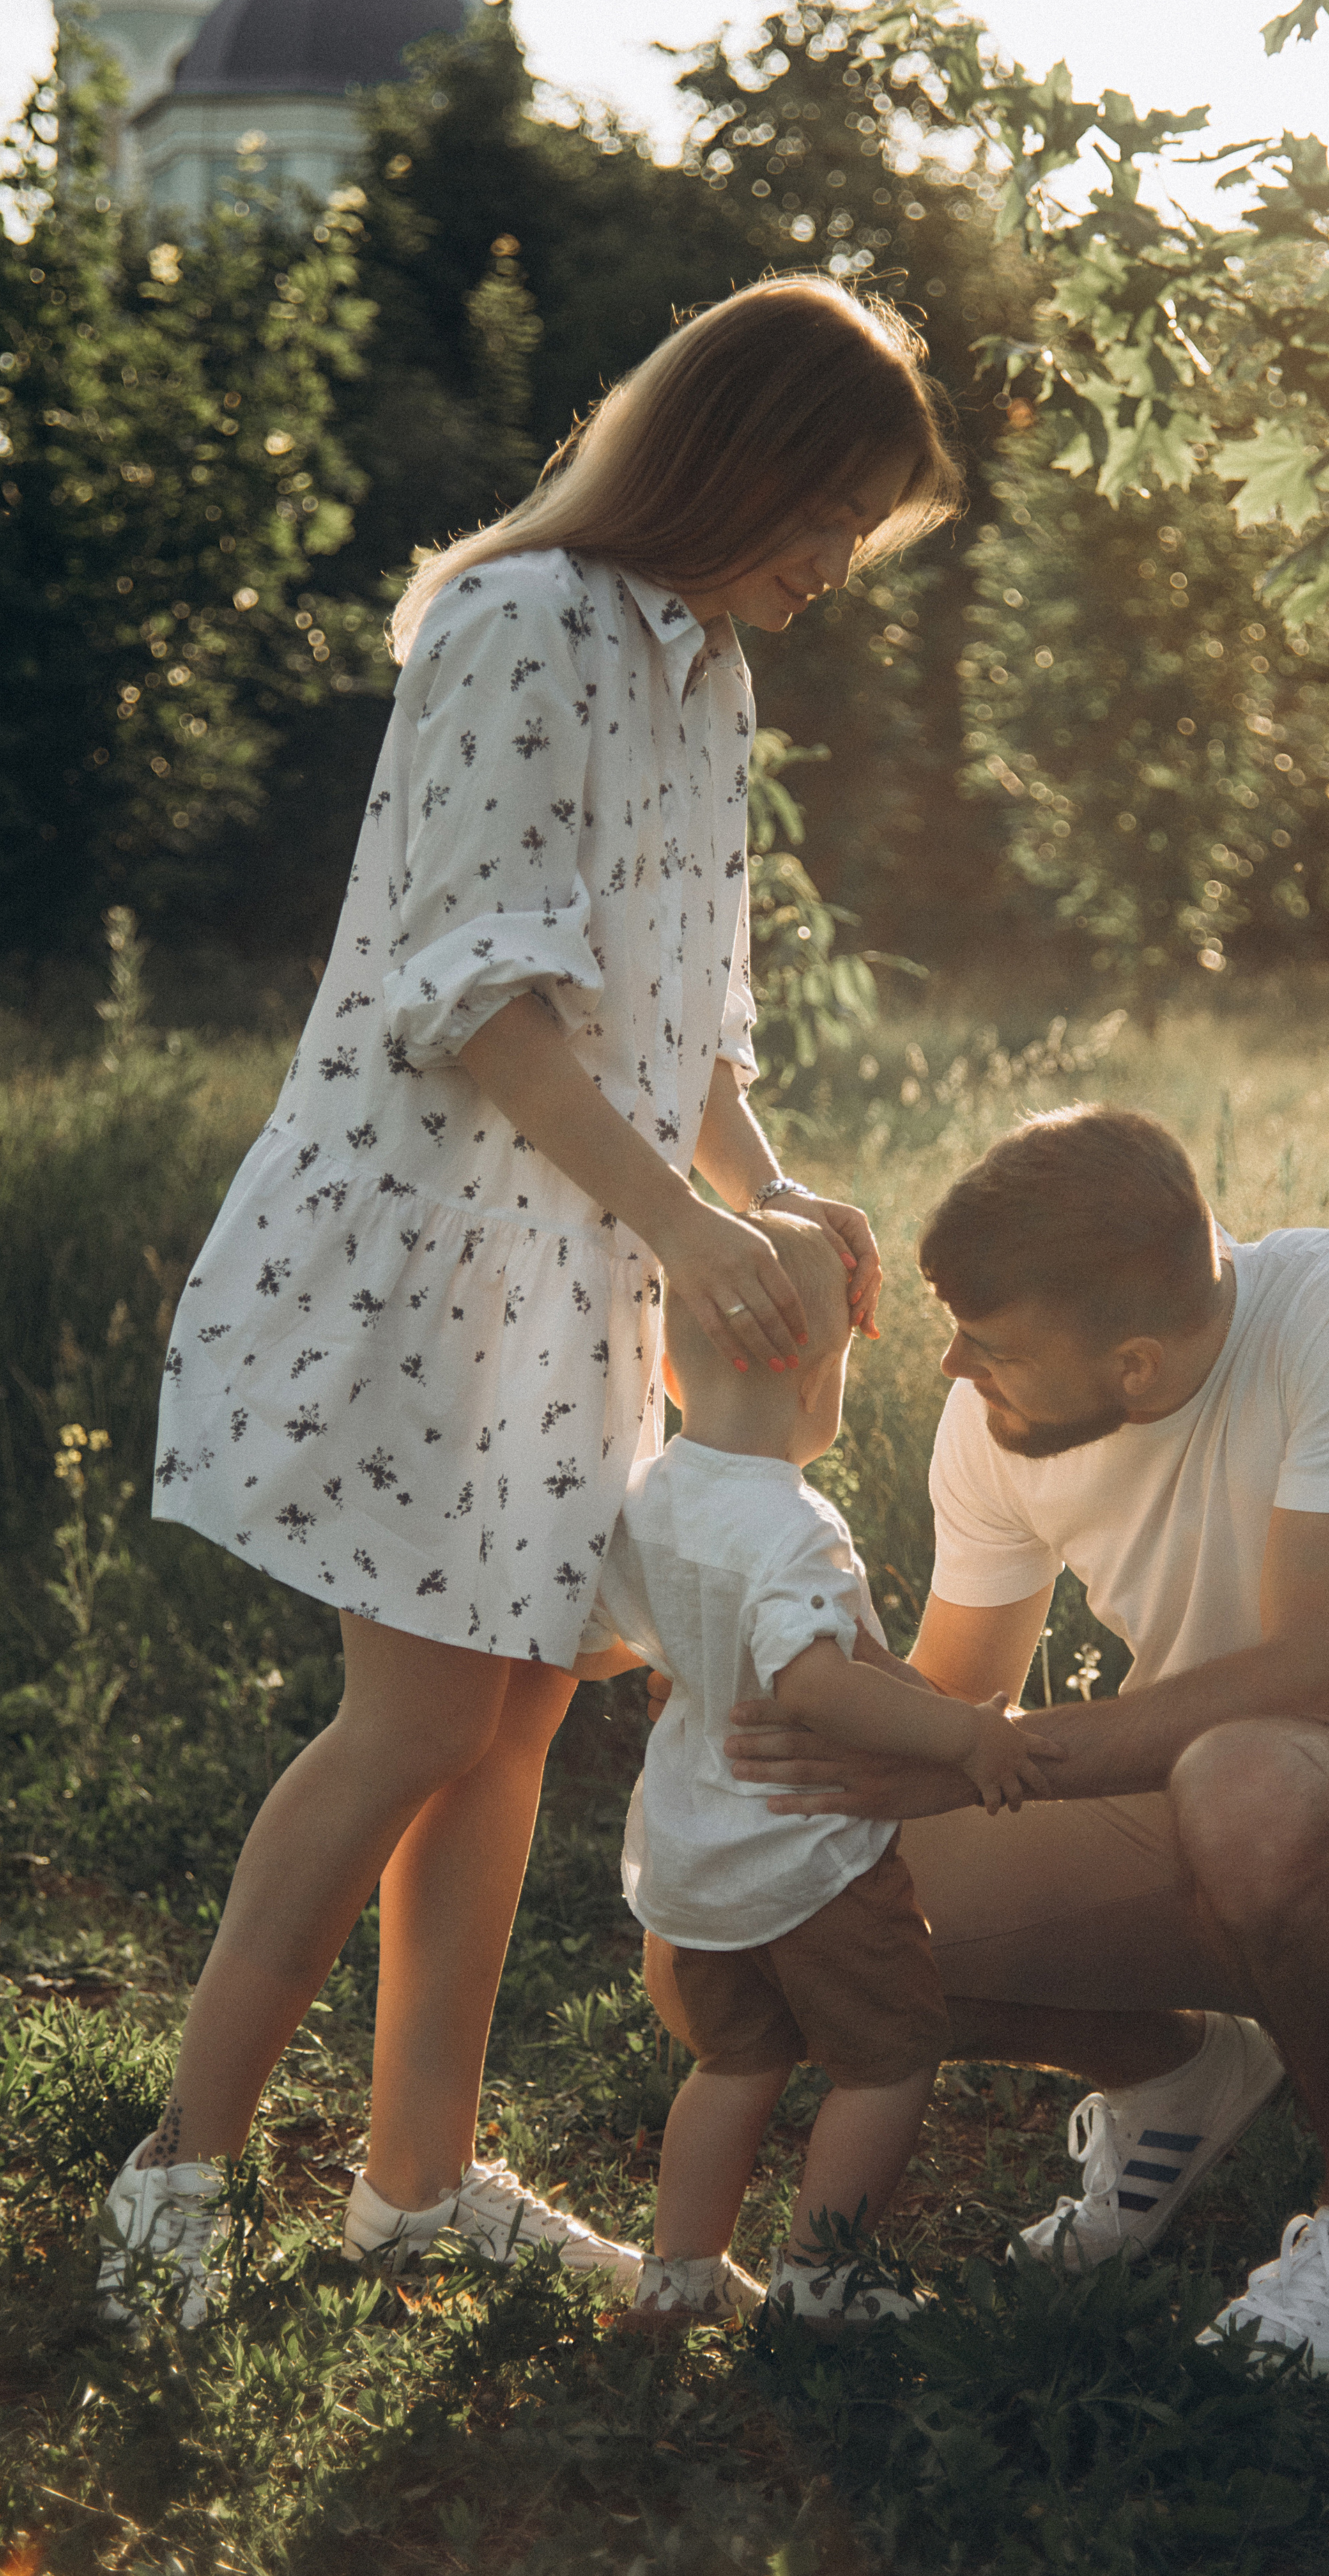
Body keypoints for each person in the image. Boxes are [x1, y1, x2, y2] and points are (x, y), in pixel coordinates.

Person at [95, 277, 963, 2327]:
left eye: (864, 531)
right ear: (727, 449)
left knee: (514, 1716)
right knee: (409, 1715)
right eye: (823, 509)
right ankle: (173, 2173)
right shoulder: (520, 625)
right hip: (431, 1244)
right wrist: (683, 1226)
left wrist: (766, 1186)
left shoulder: (711, 666)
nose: (832, 564)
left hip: (580, 1252)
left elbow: (690, 1004)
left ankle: (414, 2179)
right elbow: (492, 1002)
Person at [725, 1104, 1329, 2376]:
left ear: (1133, 1366)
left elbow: (1318, 1683)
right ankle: (1181, 2080)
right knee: (795, 1888)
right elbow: (949, 1702)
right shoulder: (996, 1423)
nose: (953, 1369)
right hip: (1204, 1824)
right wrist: (759, 1651)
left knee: (1251, 1776)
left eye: (987, 1346)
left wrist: (977, 1755)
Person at [576, 1213, 1056, 2330]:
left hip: (700, 1857)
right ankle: (819, 2280)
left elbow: (614, 1639)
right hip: (812, 1854)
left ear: (675, 1374)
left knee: (734, 2067)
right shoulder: (795, 1524)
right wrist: (965, 1737)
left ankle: (680, 2279)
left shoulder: (647, 1499)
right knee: (886, 2063)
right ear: (816, 1379)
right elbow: (812, 1686)